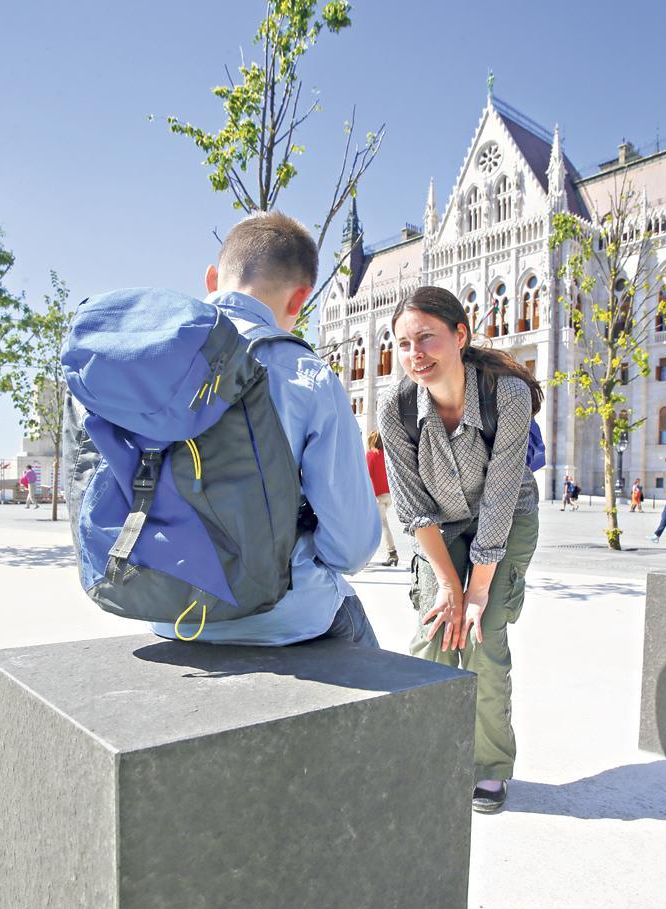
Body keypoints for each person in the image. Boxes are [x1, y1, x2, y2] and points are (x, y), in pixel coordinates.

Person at [152, 212, 381, 647]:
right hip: (283, 612)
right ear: (300, 301)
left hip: (164, 606)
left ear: (212, 278)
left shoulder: (151, 360)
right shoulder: (308, 376)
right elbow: (351, 549)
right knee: (377, 665)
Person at [378, 286, 542, 814]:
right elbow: (412, 508)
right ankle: (417, 756)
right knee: (435, 632)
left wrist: (477, 589)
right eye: (403, 344)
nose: (414, 355)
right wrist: (450, 585)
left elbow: (499, 496)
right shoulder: (396, 407)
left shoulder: (505, 395)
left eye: (426, 338)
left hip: (507, 518)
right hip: (439, 525)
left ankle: (488, 767)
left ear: (461, 335)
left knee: (481, 637)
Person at [366, 431, 398, 566]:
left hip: (377, 496)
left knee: (382, 524)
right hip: (389, 495)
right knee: (376, 524)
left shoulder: (371, 455)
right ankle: (366, 555)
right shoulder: (387, 456)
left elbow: (366, 475)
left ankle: (392, 553)